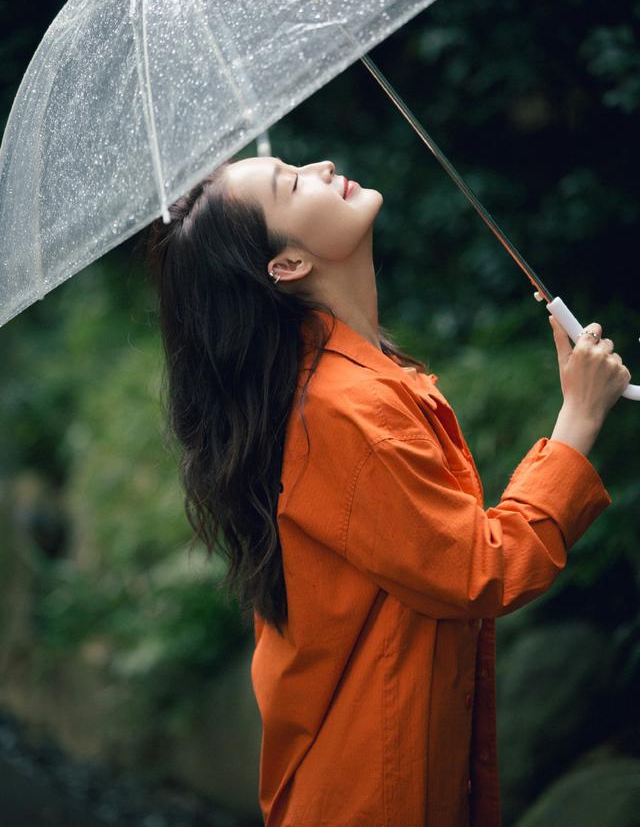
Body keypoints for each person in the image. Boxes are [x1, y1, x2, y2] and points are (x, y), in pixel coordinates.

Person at [145, 156, 630, 827]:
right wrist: (577, 421)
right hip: (375, 795)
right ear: (286, 266)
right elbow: (479, 569)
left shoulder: (353, 379)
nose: (321, 165)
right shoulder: (343, 410)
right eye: (291, 182)